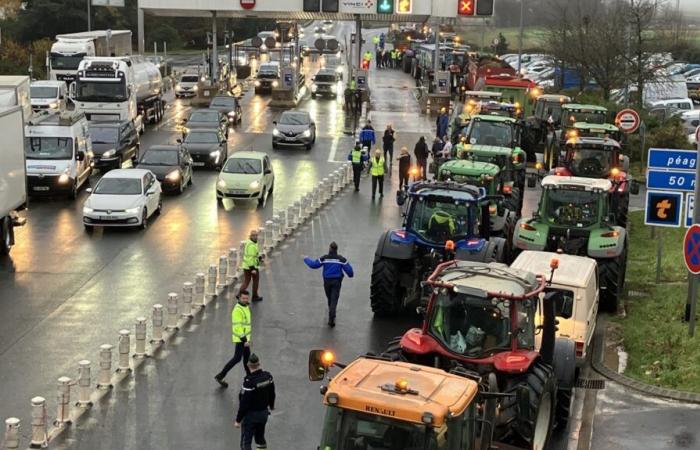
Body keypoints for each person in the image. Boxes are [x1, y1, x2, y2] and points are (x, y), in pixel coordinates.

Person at [303, 242, 355, 327]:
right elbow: (349, 271)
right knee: (334, 298)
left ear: (330, 249)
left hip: (327, 281)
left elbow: (314, 265)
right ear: (336, 249)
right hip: (337, 281)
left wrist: (306, 259)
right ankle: (332, 315)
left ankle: (331, 312)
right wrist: (350, 275)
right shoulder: (341, 259)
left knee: (330, 298)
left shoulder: (325, 258)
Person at [235, 353, 276, 450]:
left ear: (248, 365)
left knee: (246, 443)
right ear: (259, 364)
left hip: (251, 416)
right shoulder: (268, 377)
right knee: (260, 438)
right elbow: (272, 393)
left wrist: (238, 420)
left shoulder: (249, 382)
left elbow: (244, 403)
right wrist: (271, 405)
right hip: (263, 414)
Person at [215, 289, 252, 388]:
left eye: (247, 298)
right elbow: (237, 327)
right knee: (237, 358)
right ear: (239, 297)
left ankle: (249, 377)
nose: (245, 300)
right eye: (243, 298)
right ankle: (221, 375)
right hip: (241, 339)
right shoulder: (237, 310)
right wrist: (244, 340)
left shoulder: (245, 306)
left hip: (245, 338)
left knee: (246, 359)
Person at [239, 230, 263, 302]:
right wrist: (253, 269)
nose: (255, 237)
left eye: (256, 235)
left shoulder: (250, 243)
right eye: (253, 235)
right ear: (250, 236)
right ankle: (254, 296)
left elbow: (253, 255)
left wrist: (259, 258)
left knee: (247, 281)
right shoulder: (251, 245)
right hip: (251, 266)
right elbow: (250, 258)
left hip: (247, 266)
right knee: (255, 281)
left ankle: (239, 295)